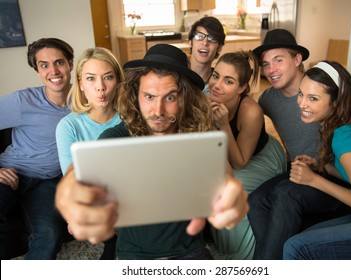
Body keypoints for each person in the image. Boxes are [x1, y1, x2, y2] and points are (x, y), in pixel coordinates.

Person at [55, 44, 249, 260]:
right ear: (135, 96)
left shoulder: (199, 136)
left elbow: (227, 182)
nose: (158, 111)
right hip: (135, 255)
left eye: (170, 97)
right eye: (149, 97)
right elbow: (81, 176)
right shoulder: (116, 138)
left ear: (184, 98)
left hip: (189, 251)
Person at [247, 29, 351, 260]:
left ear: (297, 60)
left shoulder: (326, 93)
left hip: (337, 177)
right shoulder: (268, 99)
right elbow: (245, 115)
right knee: (255, 201)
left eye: (278, 60)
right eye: (265, 64)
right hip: (303, 169)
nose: (271, 70)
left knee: (286, 194)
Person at [283, 61, 351, 259]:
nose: (302, 103)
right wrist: (322, 166)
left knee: (297, 248)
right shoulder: (345, 124)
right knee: (304, 237)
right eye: (301, 94)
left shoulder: (344, 137)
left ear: (335, 102)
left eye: (313, 98)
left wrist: (314, 180)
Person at [207, 51, 287, 259]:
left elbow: (240, 161)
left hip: (262, 158)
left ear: (242, 88)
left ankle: (240, 257)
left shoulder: (251, 110)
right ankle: (223, 247)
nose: (216, 85)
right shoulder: (206, 97)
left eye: (228, 81)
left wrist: (223, 124)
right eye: (215, 75)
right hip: (227, 153)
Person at [0, 38, 73, 259]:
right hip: (10, 173)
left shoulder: (84, 101)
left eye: (59, 62)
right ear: (37, 70)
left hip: (46, 181)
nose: (53, 71)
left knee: (49, 235)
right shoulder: (22, 101)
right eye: (44, 65)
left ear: (70, 63)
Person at [56, 47, 124, 259]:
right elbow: (73, 179)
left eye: (108, 77)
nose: (100, 87)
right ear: (81, 84)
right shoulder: (68, 126)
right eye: (91, 79)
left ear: (118, 81)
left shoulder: (131, 118)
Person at [188, 16, 225, 95]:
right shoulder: (177, 76)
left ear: (219, 47)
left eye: (212, 38)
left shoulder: (219, 84)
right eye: (199, 37)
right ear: (191, 42)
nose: (205, 43)